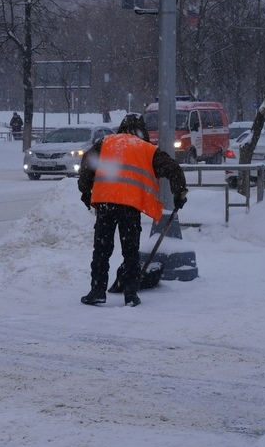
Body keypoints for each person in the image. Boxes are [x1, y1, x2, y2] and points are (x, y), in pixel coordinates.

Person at [77, 113, 188, 307]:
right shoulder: (146, 149)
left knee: (102, 249)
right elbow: (173, 169)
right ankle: (130, 293)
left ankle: (97, 290)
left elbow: (86, 165)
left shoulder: (105, 143)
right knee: (130, 251)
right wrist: (180, 193)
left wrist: (86, 192)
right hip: (130, 206)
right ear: (141, 131)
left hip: (105, 204)